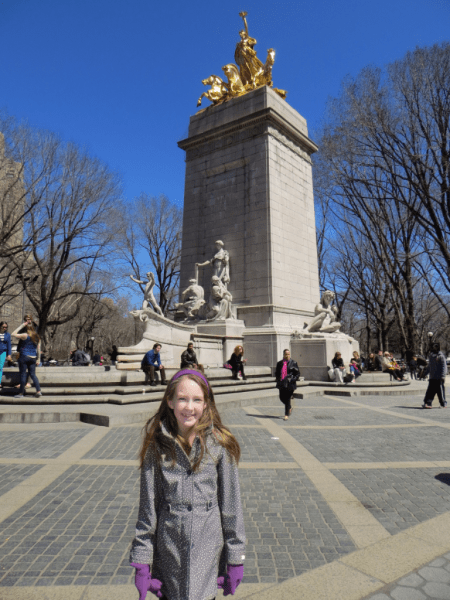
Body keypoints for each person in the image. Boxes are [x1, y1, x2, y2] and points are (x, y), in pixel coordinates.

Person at [129, 369, 246, 600]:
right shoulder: (157, 445)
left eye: (197, 400)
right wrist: (142, 560)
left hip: (208, 551)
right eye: (182, 398)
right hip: (169, 553)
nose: (189, 407)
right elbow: (148, 507)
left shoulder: (220, 444)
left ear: (206, 404)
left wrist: (236, 558)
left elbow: (232, 506)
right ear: (170, 401)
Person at [11, 321, 42, 398]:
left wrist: (22, 325)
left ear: (26, 328)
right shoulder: (37, 337)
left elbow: (13, 334)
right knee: (33, 375)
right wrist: (38, 360)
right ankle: (38, 391)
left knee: (23, 374)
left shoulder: (25, 335)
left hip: (24, 356)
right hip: (33, 358)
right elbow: (38, 349)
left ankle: (21, 393)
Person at [275, 349, 300, 421]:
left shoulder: (293, 363)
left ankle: (286, 414)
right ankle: (289, 407)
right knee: (281, 398)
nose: (287, 356)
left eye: (288, 354)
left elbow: (297, 374)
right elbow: (277, 373)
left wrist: (293, 379)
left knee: (288, 398)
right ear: (283, 355)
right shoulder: (279, 363)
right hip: (282, 383)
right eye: (286, 354)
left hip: (290, 384)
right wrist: (278, 380)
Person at [422, 342, 447, 408]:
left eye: (434, 347)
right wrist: (425, 373)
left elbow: (443, 366)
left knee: (440, 391)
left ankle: (443, 404)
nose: (432, 348)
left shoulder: (440, 356)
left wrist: (443, 376)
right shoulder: (431, 356)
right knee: (430, 391)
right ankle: (427, 403)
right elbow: (429, 366)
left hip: (439, 377)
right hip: (432, 377)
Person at [0, 322, 12, 390]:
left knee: (0, 367)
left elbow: (9, 345)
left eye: (6, 327)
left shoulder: (7, 335)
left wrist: (9, 354)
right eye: (3, 327)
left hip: (3, 352)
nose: (5, 328)